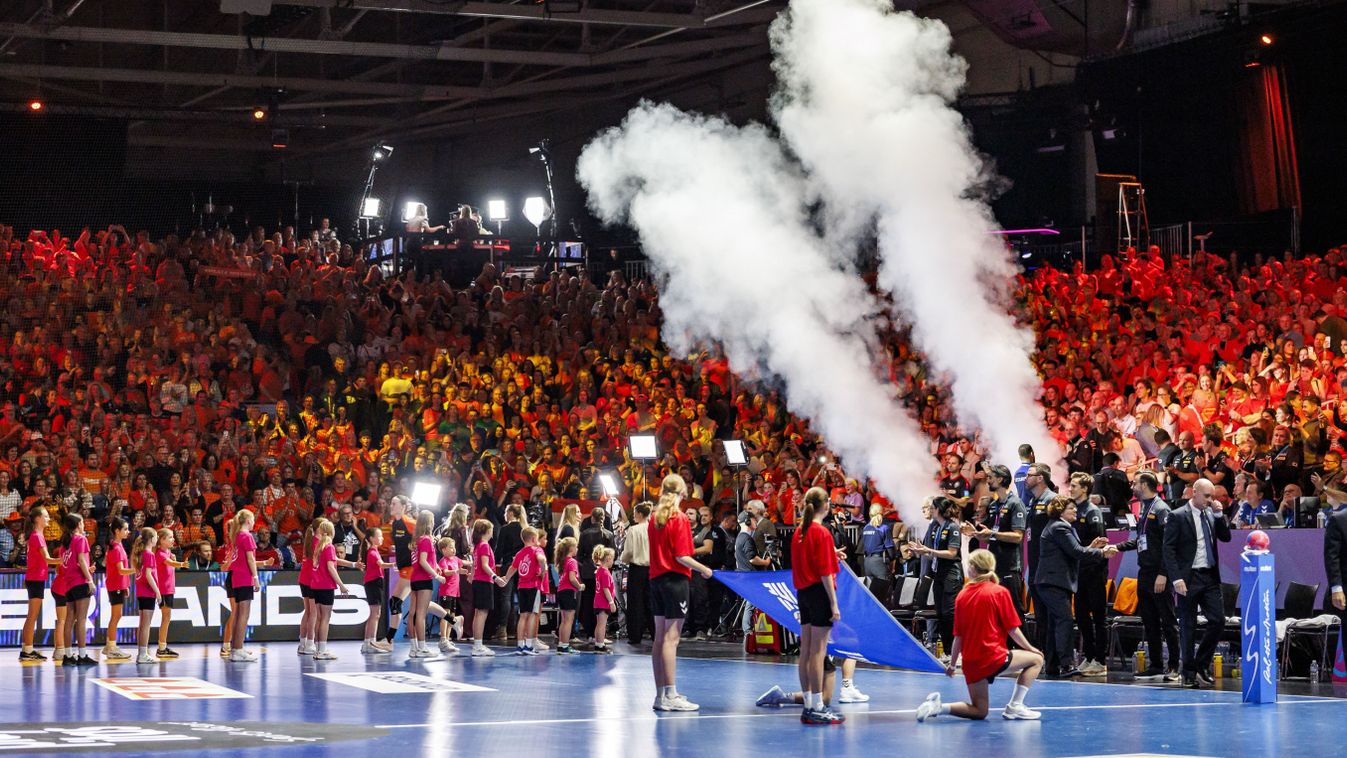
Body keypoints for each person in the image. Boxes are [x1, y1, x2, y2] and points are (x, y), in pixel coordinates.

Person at [916, 549, 1045, 723]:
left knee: (979, 711)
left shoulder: (961, 595)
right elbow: (1012, 629)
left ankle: (938, 707)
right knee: (1037, 660)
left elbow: (958, 637)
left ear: (973, 569)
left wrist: (953, 665)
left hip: (971, 663)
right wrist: (1032, 649)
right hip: (992, 657)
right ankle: (1015, 706)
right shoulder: (999, 592)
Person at [648, 474, 714, 712]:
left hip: (656, 581)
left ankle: (661, 695)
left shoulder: (655, 518)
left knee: (659, 638)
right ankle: (671, 694)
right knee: (671, 639)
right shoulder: (680, 518)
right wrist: (704, 569)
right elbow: (681, 556)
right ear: (683, 493)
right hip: (675, 581)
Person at [1035, 496, 1116, 678]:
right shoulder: (1060, 527)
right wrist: (1101, 552)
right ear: (1061, 510)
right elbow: (1076, 552)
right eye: (1071, 508)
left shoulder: (1057, 526)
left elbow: (1074, 550)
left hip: (1050, 582)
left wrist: (1091, 547)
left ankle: (1053, 665)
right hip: (1054, 582)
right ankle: (1066, 664)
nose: (1075, 511)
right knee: (1064, 621)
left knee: (1054, 623)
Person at [1162, 478, 1231, 688]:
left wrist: (1220, 516)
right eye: (1207, 496)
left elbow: (1225, 537)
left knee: (1218, 620)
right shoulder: (1177, 516)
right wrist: (1176, 578)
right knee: (1188, 626)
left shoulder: (1211, 514)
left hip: (1209, 575)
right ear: (1195, 492)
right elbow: (1169, 549)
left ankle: (1201, 663)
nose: (1210, 501)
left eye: (1213, 497)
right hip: (1188, 577)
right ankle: (1188, 672)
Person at [1116, 471, 1179, 680]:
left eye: (1135, 483)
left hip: (1159, 574)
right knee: (1150, 620)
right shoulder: (1144, 509)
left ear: (1144, 484)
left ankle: (1174, 666)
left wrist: (1164, 573)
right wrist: (1117, 547)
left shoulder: (1161, 509)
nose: (1132, 487)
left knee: (1168, 620)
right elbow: (1141, 539)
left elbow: (1169, 544)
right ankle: (1156, 665)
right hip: (1145, 571)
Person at [792, 487, 845, 725]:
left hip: (803, 594)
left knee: (806, 650)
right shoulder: (822, 533)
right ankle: (817, 706)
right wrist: (834, 604)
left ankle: (809, 704)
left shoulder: (799, 532)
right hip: (819, 594)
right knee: (818, 651)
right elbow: (825, 573)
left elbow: (811, 557)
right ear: (826, 505)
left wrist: (831, 553)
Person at [969, 464, 1026, 619]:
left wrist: (992, 533)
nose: (988, 481)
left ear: (1000, 479)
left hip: (1010, 567)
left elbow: (1018, 536)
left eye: (991, 478)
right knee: (996, 612)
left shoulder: (1015, 503)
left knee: (1014, 612)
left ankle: (1021, 644)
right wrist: (977, 535)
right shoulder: (994, 505)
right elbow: (991, 535)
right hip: (994, 566)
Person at [907, 496, 962, 654]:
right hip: (939, 573)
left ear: (938, 509)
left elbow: (952, 553)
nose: (930, 510)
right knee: (941, 614)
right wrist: (921, 551)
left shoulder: (952, 527)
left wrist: (928, 551)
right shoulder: (937, 528)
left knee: (950, 614)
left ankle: (957, 651)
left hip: (951, 574)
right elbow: (934, 553)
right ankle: (947, 652)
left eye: (932, 507)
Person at [1067, 473, 1109, 676]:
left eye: (1074, 485)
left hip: (1094, 571)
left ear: (1084, 489)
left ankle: (1101, 660)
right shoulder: (1073, 510)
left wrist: (1091, 561)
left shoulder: (1093, 511)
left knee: (1098, 617)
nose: (1070, 488)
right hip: (1079, 571)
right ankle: (1090, 656)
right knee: (1082, 616)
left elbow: (1100, 543)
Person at [20, 507, 59, 662]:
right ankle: (27, 651)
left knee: (32, 616)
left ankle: (27, 649)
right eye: (46, 516)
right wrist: (68, 560)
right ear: (37, 519)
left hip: (36, 578)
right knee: (32, 616)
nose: (48, 518)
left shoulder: (37, 535)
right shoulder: (37, 536)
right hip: (35, 579)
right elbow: (48, 559)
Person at [57, 513, 96, 666]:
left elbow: (69, 564)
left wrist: (86, 570)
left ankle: (67, 656)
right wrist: (90, 580)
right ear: (79, 524)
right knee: (81, 619)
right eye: (82, 522)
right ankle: (82, 655)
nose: (84, 524)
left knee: (69, 620)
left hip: (69, 583)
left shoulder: (64, 544)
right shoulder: (81, 539)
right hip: (80, 582)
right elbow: (81, 560)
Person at [501, 526, 547, 655]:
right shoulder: (536, 550)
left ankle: (520, 645)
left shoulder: (520, 552)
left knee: (523, 616)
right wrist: (543, 571)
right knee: (533, 614)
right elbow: (541, 559)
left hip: (522, 587)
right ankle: (529, 645)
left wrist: (505, 578)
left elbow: (512, 567)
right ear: (534, 538)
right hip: (533, 586)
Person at [310, 519, 351, 660]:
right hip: (326, 586)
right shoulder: (329, 547)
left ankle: (318, 649)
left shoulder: (319, 547)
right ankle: (322, 650)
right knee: (325, 619)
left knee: (320, 618)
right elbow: (331, 567)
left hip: (316, 585)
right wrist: (342, 585)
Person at [755, 657, 867, 709]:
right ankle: (847, 688)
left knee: (824, 699)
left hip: (816, 637)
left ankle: (781, 697)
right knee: (824, 699)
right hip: (821, 639)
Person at [408, 510, 445, 659]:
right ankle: (422, 648)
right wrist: (436, 575)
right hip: (424, 579)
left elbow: (424, 560)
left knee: (414, 613)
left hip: (414, 579)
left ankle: (415, 648)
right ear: (429, 522)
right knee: (421, 615)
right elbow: (423, 561)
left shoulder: (418, 539)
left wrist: (435, 566)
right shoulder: (426, 540)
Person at [469, 519, 508, 657]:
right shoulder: (484, 545)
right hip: (484, 582)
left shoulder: (478, 545)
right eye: (491, 529)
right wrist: (495, 578)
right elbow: (484, 565)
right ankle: (478, 646)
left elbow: (476, 565)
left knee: (478, 613)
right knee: (481, 614)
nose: (493, 532)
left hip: (479, 581)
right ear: (487, 531)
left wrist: (472, 577)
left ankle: (477, 644)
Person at [227, 510, 262, 662]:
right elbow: (251, 559)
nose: (254, 523)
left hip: (236, 577)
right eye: (253, 520)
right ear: (248, 521)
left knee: (239, 614)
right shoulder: (247, 536)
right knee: (243, 615)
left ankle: (236, 648)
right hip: (244, 577)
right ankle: (238, 650)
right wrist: (255, 578)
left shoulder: (237, 536)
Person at [426, 536, 468, 655]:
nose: (453, 550)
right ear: (443, 550)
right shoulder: (443, 561)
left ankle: (447, 640)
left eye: (454, 547)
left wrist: (472, 562)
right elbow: (445, 572)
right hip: (446, 592)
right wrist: (456, 571)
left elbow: (462, 562)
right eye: (451, 547)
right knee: (445, 615)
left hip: (455, 592)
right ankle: (443, 638)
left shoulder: (455, 559)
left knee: (452, 616)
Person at [384, 497, 416, 646]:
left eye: (394, 503)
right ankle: (453, 620)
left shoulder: (409, 522)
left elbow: (426, 538)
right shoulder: (395, 523)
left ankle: (388, 640)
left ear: (403, 506)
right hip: (403, 566)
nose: (391, 505)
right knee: (422, 604)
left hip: (412, 568)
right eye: (391, 503)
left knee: (395, 601)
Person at [619, 502, 652, 646]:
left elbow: (628, 552)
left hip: (637, 569)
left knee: (635, 603)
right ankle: (655, 633)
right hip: (652, 569)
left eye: (634, 513)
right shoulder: (654, 528)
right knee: (651, 602)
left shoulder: (633, 530)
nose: (633, 515)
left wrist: (622, 559)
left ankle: (635, 635)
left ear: (639, 514)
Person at [101, 516, 134, 661]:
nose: (128, 531)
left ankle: (109, 645)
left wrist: (126, 585)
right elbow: (121, 570)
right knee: (116, 616)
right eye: (125, 529)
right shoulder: (115, 548)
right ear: (117, 531)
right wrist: (136, 570)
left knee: (117, 615)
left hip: (118, 585)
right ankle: (112, 647)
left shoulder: (117, 546)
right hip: (115, 585)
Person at [360, 527, 396, 654]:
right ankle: (371, 642)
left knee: (375, 614)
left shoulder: (374, 551)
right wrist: (395, 564)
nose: (382, 538)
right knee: (375, 614)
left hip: (375, 583)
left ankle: (368, 643)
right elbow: (382, 564)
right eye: (379, 536)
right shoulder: (372, 552)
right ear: (371, 538)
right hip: (374, 583)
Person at [154, 528, 188, 660]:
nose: (173, 539)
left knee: (167, 618)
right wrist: (181, 564)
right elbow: (170, 563)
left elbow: (170, 563)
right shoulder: (160, 554)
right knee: (165, 618)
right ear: (161, 540)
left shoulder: (168, 552)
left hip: (169, 589)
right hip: (163, 590)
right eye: (170, 537)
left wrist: (173, 557)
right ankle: (161, 648)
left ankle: (163, 646)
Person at [132, 527, 162, 664]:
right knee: (146, 624)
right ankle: (143, 654)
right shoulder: (149, 554)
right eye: (156, 537)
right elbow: (148, 574)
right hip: (148, 591)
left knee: (142, 623)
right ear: (151, 539)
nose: (157, 539)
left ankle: (141, 653)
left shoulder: (141, 553)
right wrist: (157, 591)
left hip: (141, 591)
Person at [860, 504, 895, 604]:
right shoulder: (884, 528)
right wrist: (892, 559)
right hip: (879, 562)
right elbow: (890, 548)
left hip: (867, 562)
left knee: (871, 595)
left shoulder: (866, 528)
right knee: (884, 595)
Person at [555, 537, 584, 654]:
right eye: (576, 547)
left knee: (564, 620)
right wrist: (580, 586)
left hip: (561, 591)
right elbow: (572, 578)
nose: (577, 549)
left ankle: (562, 645)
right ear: (571, 549)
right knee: (569, 620)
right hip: (569, 592)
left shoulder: (563, 561)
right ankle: (565, 646)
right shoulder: (572, 561)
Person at [592, 546, 617, 653]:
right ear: (608, 559)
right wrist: (611, 602)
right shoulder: (606, 573)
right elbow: (606, 588)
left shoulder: (599, 570)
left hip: (598, 602)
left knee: (599, 624)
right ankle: (600, 645)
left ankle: (598, 643)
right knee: (602, 625)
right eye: (612, 559)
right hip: (603, 602)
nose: (613, 561)